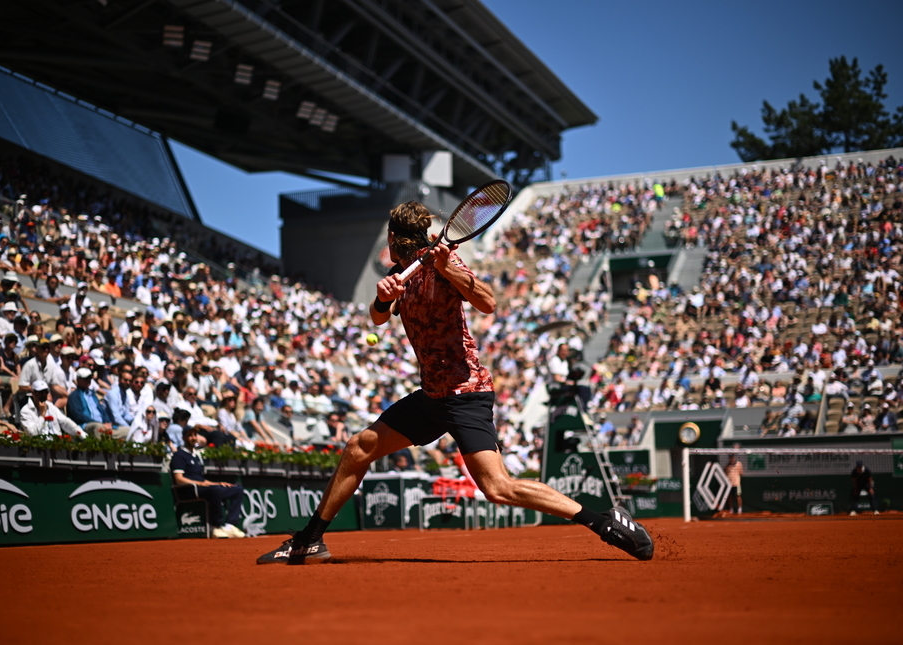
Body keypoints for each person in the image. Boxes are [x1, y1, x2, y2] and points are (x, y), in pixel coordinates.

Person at [257, 200, 653, 564]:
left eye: (389, 240)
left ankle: (605, 522)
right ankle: (310, 540)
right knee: (359, 448)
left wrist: (449, 271)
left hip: (466, 393)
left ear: (394, 239)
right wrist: (381, 299)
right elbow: (380, 318)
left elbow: (488, 302)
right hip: (431, 398)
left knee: (498, 487)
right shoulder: (399, 274)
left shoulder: (447, 262)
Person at [170, 425, 246, 538]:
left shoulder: (196, 456)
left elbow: (203, 480)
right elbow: (179, 479)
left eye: (194, 435)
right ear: (183, 438)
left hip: (202, 487)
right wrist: (202, 484)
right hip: (188, 489)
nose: (193, 438)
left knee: (237, 490)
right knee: (215, 491)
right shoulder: (179, 455)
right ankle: (217, 526)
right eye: (189, 435)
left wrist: (217, 483)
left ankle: (229, 525)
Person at [67, 368, 129, 438]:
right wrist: (100, 424)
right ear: (78, 380)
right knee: (97, 427)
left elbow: (103, 410)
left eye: (90, 379)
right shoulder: (74, 396)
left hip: (102, 425)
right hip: (86, 425)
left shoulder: (92, 394)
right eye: (85, 379)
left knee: (128, 431)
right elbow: (78, 416)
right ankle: (100, 448)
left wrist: (107, 423)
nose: (88, 381)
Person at [20, 380, 86, 438]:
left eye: (46, 392)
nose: (44, 394)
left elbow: (65, 422)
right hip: (40, 446)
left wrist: (82, 435)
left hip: (56, 442)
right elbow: (33, 434)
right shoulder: (25, 411)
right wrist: (42, 414)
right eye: (41, 392)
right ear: (33, 393)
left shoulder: (50, 406)